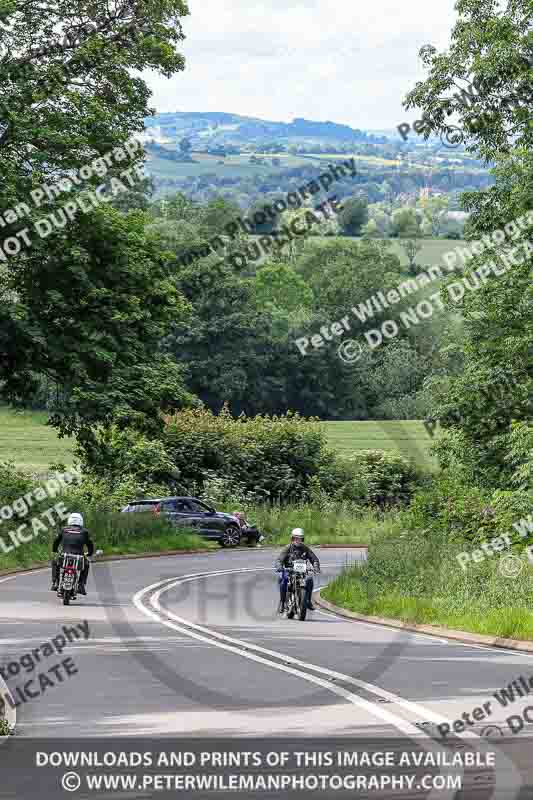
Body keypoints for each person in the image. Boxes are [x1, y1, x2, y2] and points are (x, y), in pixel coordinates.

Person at [275, 528, 320, 613]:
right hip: (289, 570)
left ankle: (308, 601)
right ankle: (282, 602)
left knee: (309, 580)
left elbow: (314, 559)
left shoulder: (305, 548)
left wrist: (316, 567)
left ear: (302, 539)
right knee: (283, 580)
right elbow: (279, 560)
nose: (297, 540)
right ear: (292, 538)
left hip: (302, 572)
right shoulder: (287, 548)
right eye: (296, 538)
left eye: (300, 538)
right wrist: (279, 567)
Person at [51, 512, 94, 595]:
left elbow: (56, 541)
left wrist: (54, 550)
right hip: (79, 555)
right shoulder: (85, 532)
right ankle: (81, 585)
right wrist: (90, 553)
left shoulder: (64, 529)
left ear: (69, 520)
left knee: (54, 562)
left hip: (64, 554)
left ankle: (56, 582)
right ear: (81, 521)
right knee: (87, 564)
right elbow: (90, 544)